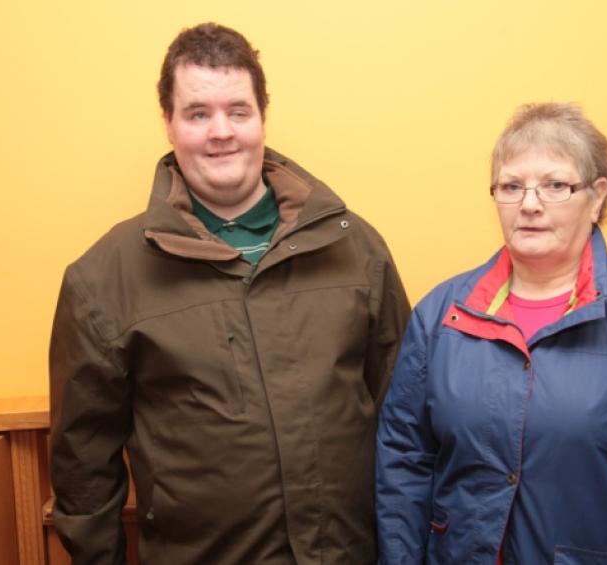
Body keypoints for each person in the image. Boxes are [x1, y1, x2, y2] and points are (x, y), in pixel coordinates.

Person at [49, 22, 410, 565]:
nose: (222, 131)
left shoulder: (355, 247)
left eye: (238, 110)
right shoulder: (102, 278)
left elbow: (404, 420)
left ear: (262, 115)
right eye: (198, 113)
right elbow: (83, 471)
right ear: (169, 124)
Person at [375, 102, 607, 564]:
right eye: (511, 186)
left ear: (597, 197)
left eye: (555, 185)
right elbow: (404, 463)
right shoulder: (440, 318)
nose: (529, 204)